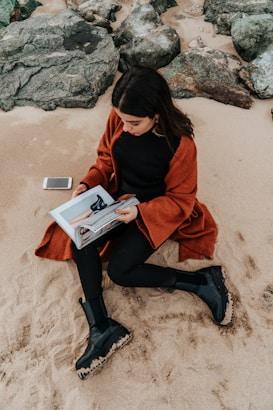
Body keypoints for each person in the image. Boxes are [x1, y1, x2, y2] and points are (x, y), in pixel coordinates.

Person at [35, 66, 233, 380]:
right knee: (79, 237)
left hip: (153, 210)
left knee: (121, 271)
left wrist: (141, 212)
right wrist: (88, 184)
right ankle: (102, 327)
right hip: (117, 199)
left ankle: (202, 282)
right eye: (122, 120)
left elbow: (182, 199)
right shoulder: (120, 118)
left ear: (156, 114)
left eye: (134, 123)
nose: (124, 127)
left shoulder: (182, 147)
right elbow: (104, 159)